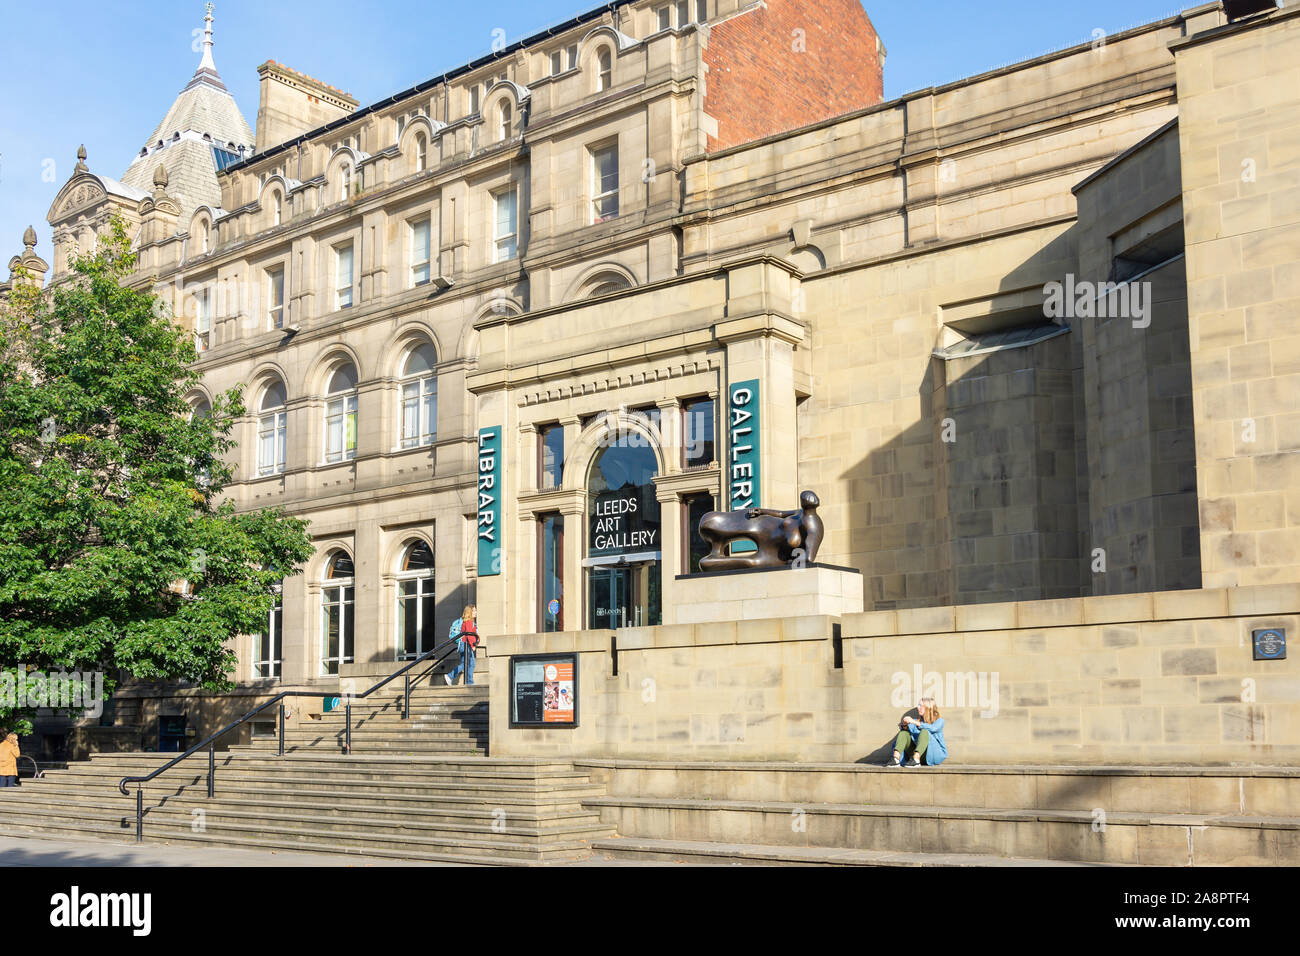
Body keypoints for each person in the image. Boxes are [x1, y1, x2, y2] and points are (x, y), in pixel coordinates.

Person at [885, 697, 947, 767]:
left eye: (921, 705)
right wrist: (905, 725)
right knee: (904, 733)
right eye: (918, 705)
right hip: (918, 756)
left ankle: (916, 759)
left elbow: (933, 728)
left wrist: (914, 722)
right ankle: (895, 759)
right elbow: (905, 734)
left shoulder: (939, 721)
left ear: (928, 707)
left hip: (934, 755)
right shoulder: (916, 721)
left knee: (924, 731)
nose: (918, 707)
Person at [444, 604, 479, 686]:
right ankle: (450, 676)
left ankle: (469, 682)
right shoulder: (469, 622)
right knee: (466, 663)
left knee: (471, 663)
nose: (476, 612)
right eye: (474, 610)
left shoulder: (467, 622)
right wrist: (473, 645)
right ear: (469, 612)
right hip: (466, 645)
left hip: (464, 645)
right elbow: (469, 635)